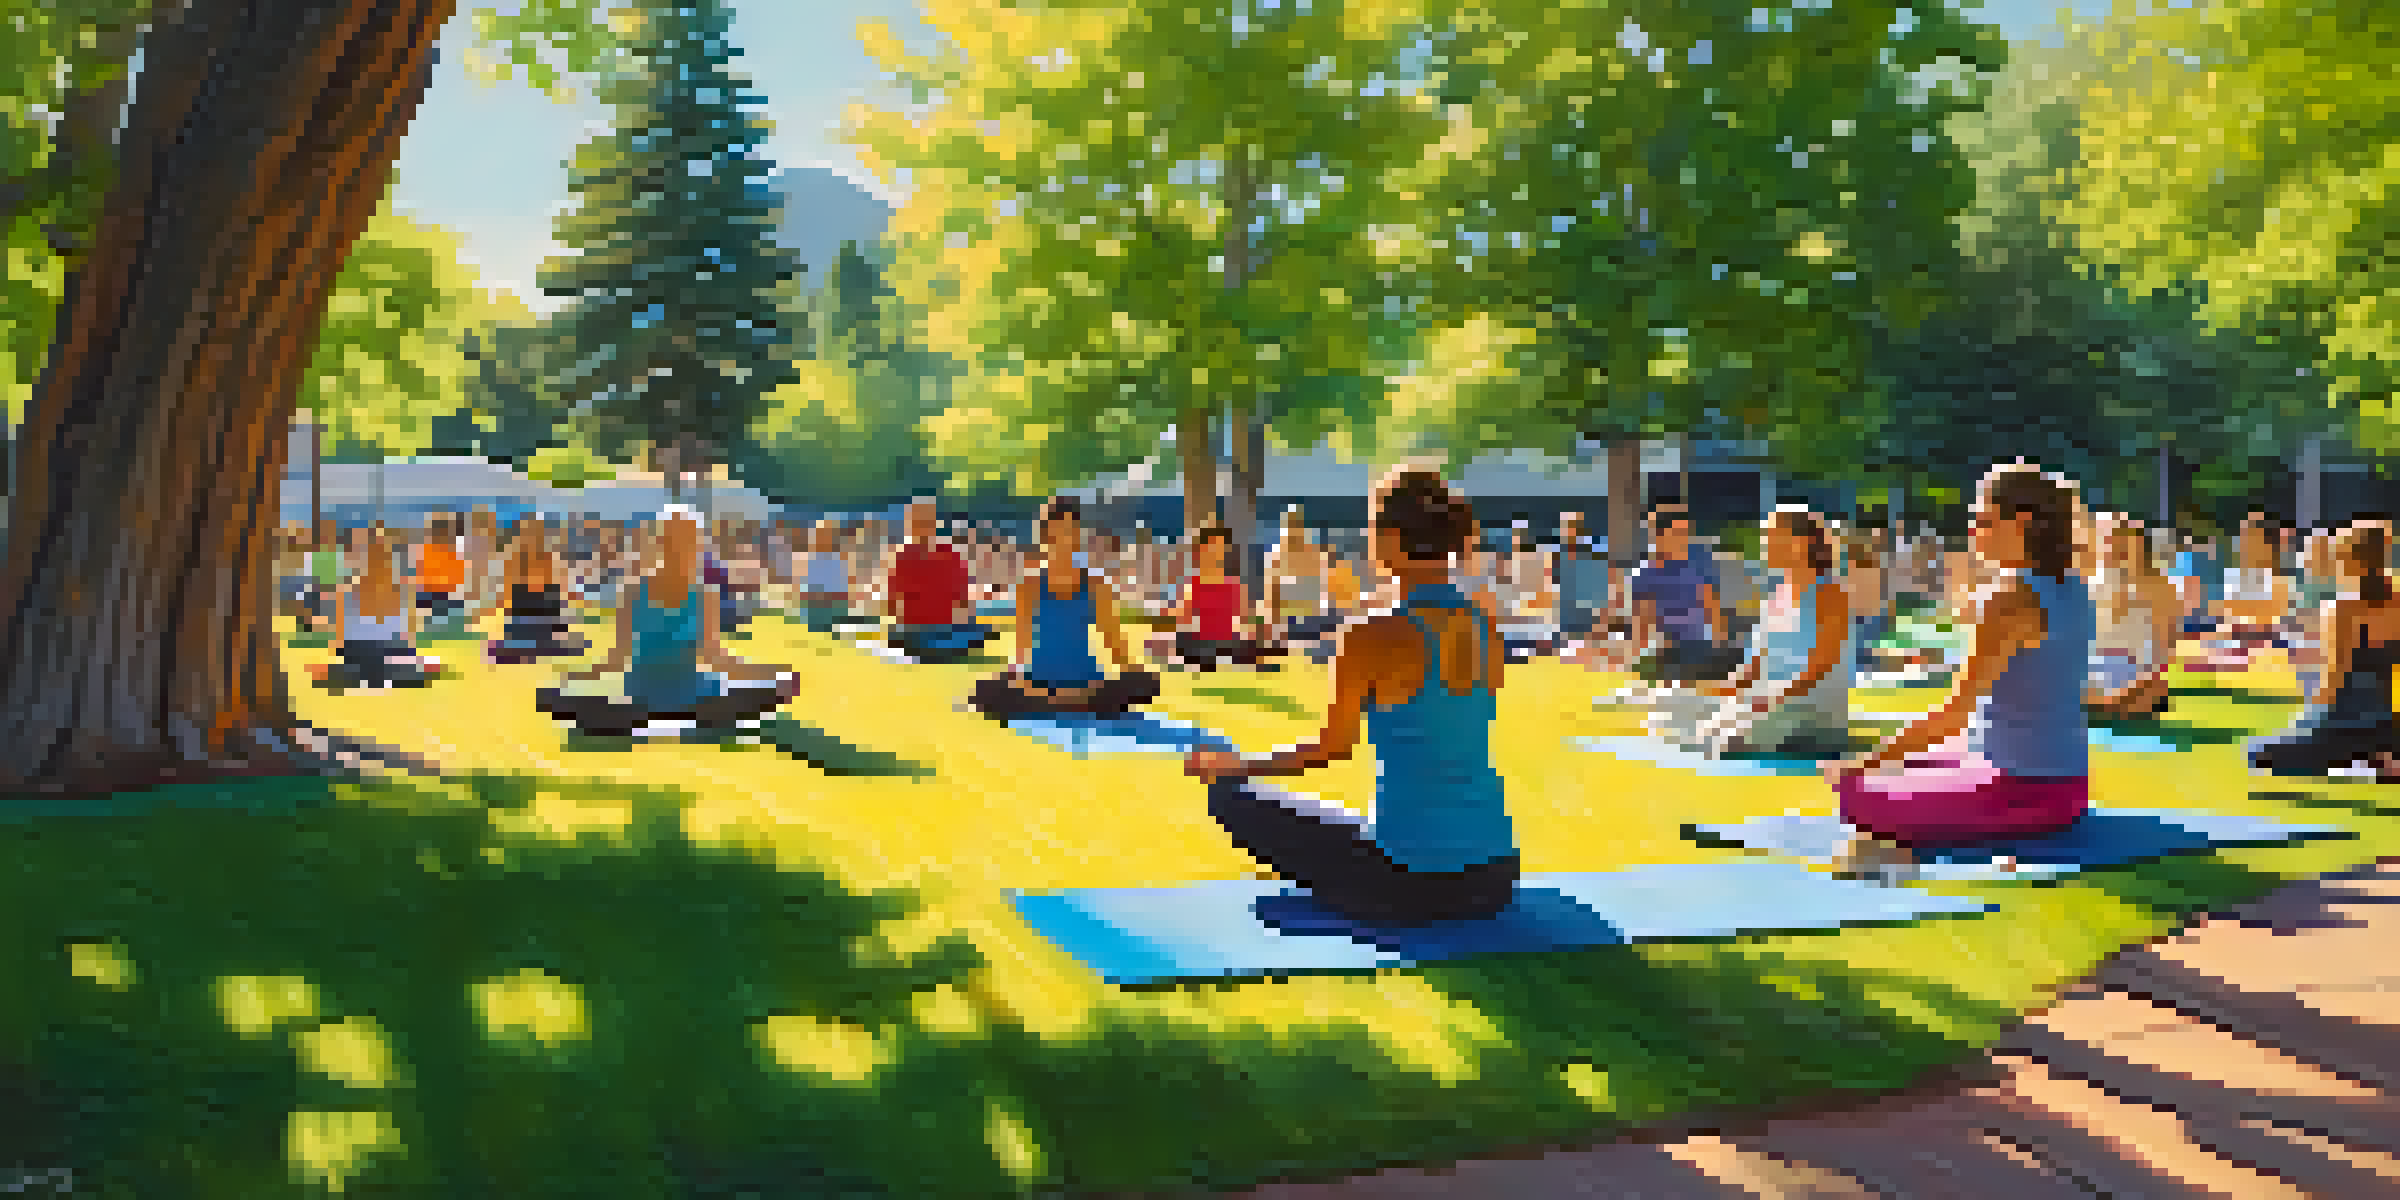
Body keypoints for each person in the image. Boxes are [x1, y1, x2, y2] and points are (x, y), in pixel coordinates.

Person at [1184, 466, 1519, 927]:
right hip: (1496, 874)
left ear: (1393, 540)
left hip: (1407, 882)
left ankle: (1368, 878)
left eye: (1373, 524)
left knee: (1230, 798)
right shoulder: (1486, 626)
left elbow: (1331, 748)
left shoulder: (1369, 635)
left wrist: (1236, 765)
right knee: (1353, 821)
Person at [1821, 464, 2097, 879]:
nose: (1973, 531)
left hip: (2027, 792)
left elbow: (1954, 714)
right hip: (2065, 784)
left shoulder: (2011, 598)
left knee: (1857, 792)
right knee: (1895, 767)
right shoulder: (2073, 585)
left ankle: (1893, 842)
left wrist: (1865, 763)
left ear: (2020, 521)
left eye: (1983, 520)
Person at [536, 506, 796, 737]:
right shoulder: (637, 592)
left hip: (679, 692)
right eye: (686, 543)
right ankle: (673, 718)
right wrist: (573, 680)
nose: (690, 551)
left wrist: (772, 675)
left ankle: (637, 719)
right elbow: (618, 658)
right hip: (663, 695)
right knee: (745, 697)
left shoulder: (699, 595)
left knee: (752, 692)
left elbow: (715, 658)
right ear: (663, 544)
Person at [1645, 506, 1856, 758]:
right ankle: (1718, 729)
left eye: (1773, 536)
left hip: (1808, 706)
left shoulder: (1831, 595)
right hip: (1765, 700)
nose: (1765, 544)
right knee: (1669, 706)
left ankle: (1724, 734)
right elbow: (1755, 665)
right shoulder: (1776, 595)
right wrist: (1717, 689)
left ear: (1799, 543)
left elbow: (1822, 664)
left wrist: (1768, 699)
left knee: (1722, 737)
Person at [969, 496, 1161, 720]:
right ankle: (1067, 702)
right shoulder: (1027, 587)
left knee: (1145, 683)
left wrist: (1135, 675)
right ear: (1044, 537)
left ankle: (1063, 702)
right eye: (1056, 532)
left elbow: (1115, 645)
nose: (1063, 540)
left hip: (1088, 684)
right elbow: (1022, 648)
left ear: (1078, 536)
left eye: (1070, 531)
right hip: (1040, 685)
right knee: (986, 690)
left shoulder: (1097, 586)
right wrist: (1016, 680)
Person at [2248, 522, 2400, 780]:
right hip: (2386, 725)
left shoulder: (2342, 609)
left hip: (2344, 728)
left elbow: (2332, 685)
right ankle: (2374, 760)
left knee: (2256, 752)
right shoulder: (2395, 605)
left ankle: (2355, 764)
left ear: (2352, 560)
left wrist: (2303, 723)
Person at [1629, 504, 1741, 684]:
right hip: (1673, 647)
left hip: (1704, 641)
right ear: (1659, 537)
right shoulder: (1646, 575)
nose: (1683, 541)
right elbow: (1642, 621)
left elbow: (1713, 603)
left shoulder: (1699, 557)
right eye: (1677, 535)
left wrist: (1722, 646)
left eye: (1684, 534)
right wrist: (1638, 655)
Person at [2080, 515, 2179, 719]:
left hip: (2133, 669)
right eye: (2108, 543)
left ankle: (2125, 700)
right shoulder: (2094, 580)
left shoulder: (2156, 585)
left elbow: (2165, 645)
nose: (2112, 550)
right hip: (2103, 665)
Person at [319, 526, 440, 689]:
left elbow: (340, 635)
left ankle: (363, 675)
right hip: (371, 651)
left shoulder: (352, 588)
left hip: (371, 652)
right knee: (421, 667)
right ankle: (375, 676)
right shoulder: (398, 588)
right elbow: (409, 635)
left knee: (420, 665)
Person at [1162, 524, 1286, 671]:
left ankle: (1230, 658)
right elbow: (1182, 618)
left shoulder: (1235, 584)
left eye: (1220, 548)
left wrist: (1262, 637)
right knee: (1190, 646)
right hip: (1201, 643)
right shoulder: (1192, 584)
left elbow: (1248, 618)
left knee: (1260, 648)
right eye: (1211, 547)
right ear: (1201, 550)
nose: (1216, 553)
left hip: (1227, 642)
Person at [882, 498, 993, 660]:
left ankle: (938, 645)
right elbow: (896, 602)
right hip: (920, 630)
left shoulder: (950, 555)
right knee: (972, 633)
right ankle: (942, 646)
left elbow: (963, 600)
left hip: (945, 627)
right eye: (917, 521)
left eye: (925, 521)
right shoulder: (904, 558)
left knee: (974, 629)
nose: (921, 526)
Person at [487, 521, 590, 665]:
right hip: (533, 622)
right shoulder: (534, 562)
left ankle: (528, 649)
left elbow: (507, 595)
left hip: (535, 622)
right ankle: (533, 648)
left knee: (512, 644)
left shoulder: (529, 562)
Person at [1267, 508, 1345, 653]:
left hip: (1314, 618)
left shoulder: (1314, 554)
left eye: (1297, 527)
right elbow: (1274, 591)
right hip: (1294, 620)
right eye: (1291, 527)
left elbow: (1329, 587)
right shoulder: (1279, 557)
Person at [1552, 512, 1614, 667]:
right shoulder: (1557, 560)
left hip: (1588, 629)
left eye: (1573, 527)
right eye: (1566, 528)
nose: (1568, 532)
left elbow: (1602, 596)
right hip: (1567, 631)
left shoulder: (1594, 561)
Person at [413, 516, 469, 635]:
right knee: (443, 629)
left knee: (433, 630)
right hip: (439, 594)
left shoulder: (428, 549)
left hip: (435, 593)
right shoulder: (449, 550)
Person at [794, 521, 852, 634]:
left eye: (828, 534)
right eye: (821, 534)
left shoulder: (839, 559)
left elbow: (842, 582)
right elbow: (805, 582)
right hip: (816, 601)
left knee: (832, 632)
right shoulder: (810, 558)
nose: (825, 538)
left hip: (833, 600)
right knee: (817, 631)